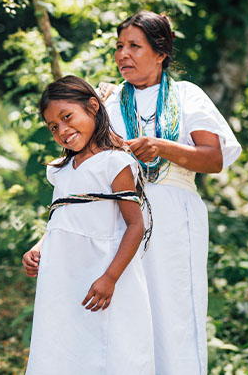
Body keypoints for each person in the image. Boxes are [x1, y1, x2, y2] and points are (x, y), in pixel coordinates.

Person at [24, 12, 242, 374]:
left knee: (173, 314)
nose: (123, 54)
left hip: (173, 219)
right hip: (115, 226)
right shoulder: (105, 100)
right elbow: (78, 181)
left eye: (134, 46)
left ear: (161, 52)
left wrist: (162, 147)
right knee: (125, 319)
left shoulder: (188, 96)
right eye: (119, 47)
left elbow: (214, 159)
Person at [23, 75, 153, 374]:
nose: (62, 130)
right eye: (53, 126)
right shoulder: (61, 170)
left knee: (107, 346)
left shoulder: (115, 162)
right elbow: (60, 221)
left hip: (103, 273)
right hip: (63, 276)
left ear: (93, 106)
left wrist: (109, 278)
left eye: (67, 117)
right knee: (63, 345)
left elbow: (136, 225)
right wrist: (39, 247)